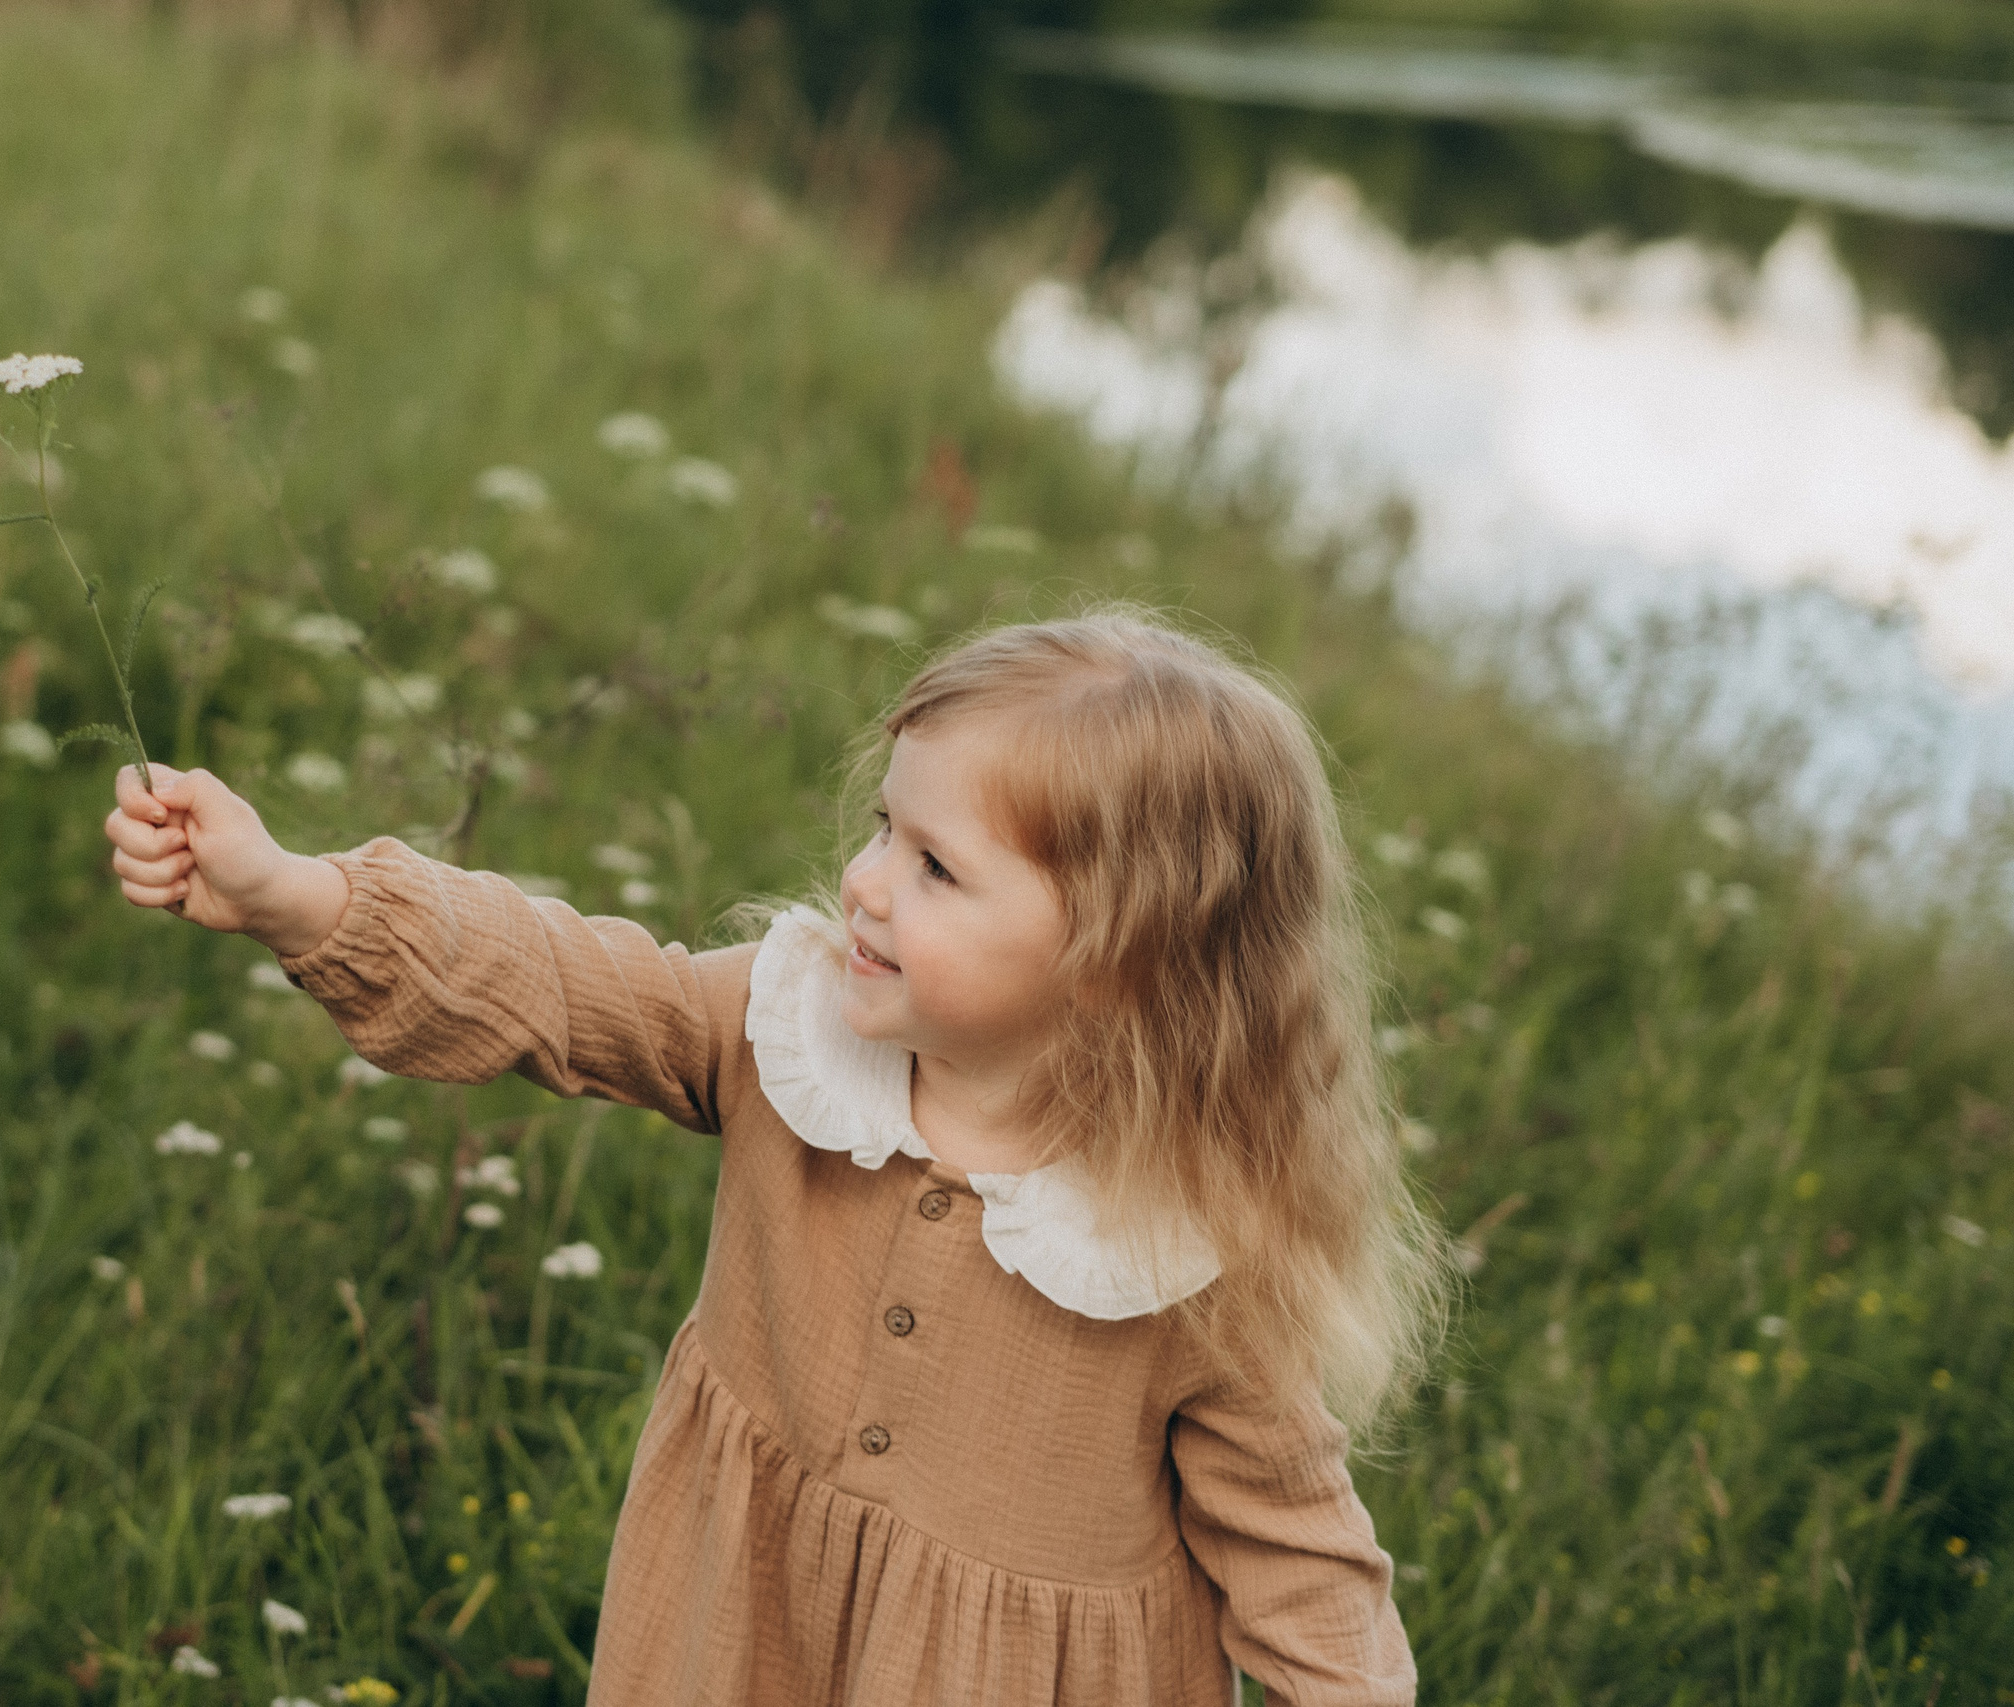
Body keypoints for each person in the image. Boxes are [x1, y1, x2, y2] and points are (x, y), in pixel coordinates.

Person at [104, 608, 1450, 1706]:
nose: (865, 881)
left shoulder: (1186, 1252)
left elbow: (1301, 1568)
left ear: (1119, 962)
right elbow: (569, 986)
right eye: (883, 827)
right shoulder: (790, 1037)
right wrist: (299, 894)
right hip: (735, 1638)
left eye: (937, 867)